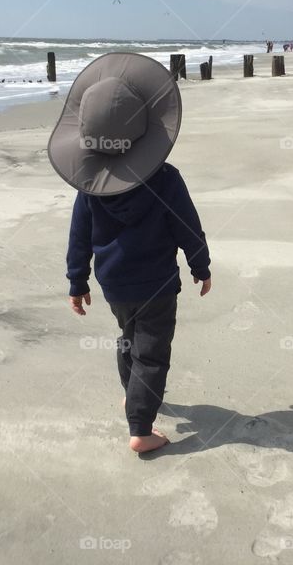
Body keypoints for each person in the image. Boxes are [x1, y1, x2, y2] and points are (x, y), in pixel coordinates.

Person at [47, 53, 212, 454]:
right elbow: (186, 225)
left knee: (128, 338)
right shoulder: (167, 180)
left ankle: (132, 395)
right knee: (152, 352)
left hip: (114, 284)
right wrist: (200, 265)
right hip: (156, 284)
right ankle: (141, 427)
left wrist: (76, 281)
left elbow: (78, 236)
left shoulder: (89, 187)